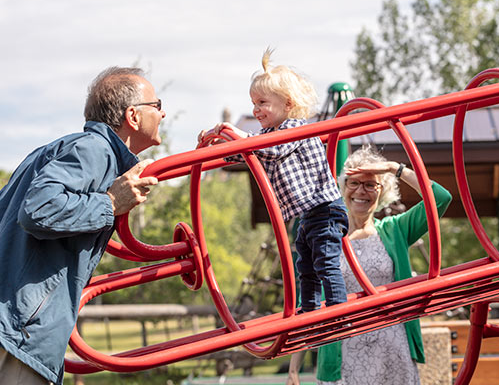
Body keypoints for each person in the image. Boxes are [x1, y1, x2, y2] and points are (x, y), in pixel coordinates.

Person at [0, 66, 165, 385]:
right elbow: (38, 210)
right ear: (133, 115)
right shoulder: (94, 149)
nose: (163, 114)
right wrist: (110, 204)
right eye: (156, 106)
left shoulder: (60, 149)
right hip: (18, 331)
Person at [198, 49, 348, 314]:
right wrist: (217, 144)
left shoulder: (295, 128)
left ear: (287, 104)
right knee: (305, 265)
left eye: (262, 102)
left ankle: (338, 312)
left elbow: (271, 150)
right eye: (253, 103)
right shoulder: (267, 133)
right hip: (308, 214)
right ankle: (310, 310)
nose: (256, 110)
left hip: (325, 209)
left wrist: (236, 135)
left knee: (325, 262)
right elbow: (244, 153)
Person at [287, 145, 452, 385]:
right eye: (353, 183)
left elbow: (440, 198)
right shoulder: (325, 239)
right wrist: (294, 369)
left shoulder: (395, 230)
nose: (360, 191)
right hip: (344, 354)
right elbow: (309, 302)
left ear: (381, 191)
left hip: (392, 351)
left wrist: (393, 168)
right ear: (342, 188)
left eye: (370, 184)